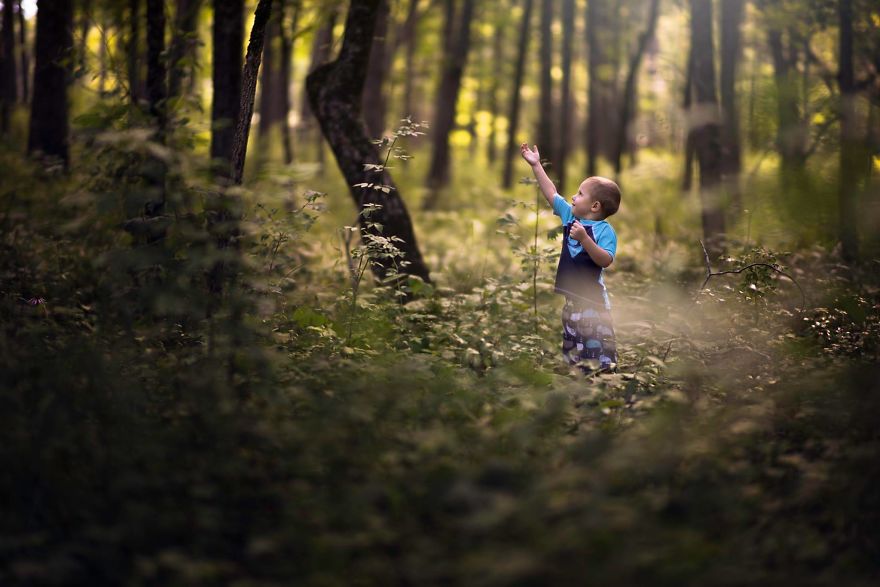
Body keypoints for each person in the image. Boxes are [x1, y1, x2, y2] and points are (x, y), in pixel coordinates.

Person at [520, 143, 620, 372]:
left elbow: (605, 260)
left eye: (580, 194)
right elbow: (551, 194)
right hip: (571, 301)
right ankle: (577, 379)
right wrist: (536, 165)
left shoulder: (605, 231)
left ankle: (602, 378)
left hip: (593, 303)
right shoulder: (569, 216)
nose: (573, 197)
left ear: (594, 206)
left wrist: (585, 239)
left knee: (595, 345)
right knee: (573, 344)